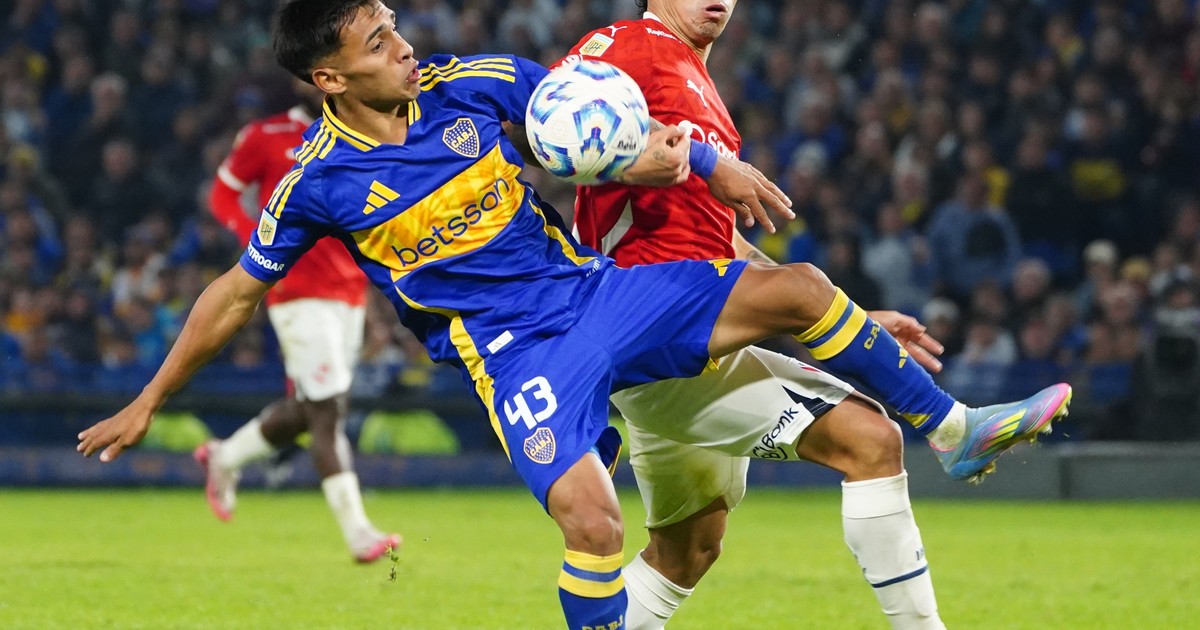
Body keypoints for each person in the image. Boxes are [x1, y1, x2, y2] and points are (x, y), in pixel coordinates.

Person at [77, 2, 1071, 628]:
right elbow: (233, 294)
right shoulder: (319, 182)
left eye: (395, 25)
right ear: (330, 78)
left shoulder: (473, 86)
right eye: (377, 42)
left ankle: (954, 430)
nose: (403, 44)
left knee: (801, 290)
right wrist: (150, 398)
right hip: (514, 355)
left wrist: (701, 161)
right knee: (595, 527)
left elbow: (599, 129)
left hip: (596, 294)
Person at [553, 2, 1068, 628]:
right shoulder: (631, 45)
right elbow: (552, 111)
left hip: (684, 339)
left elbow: (723, 248)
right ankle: (953, 429)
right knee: (871, 439)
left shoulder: (696, 82)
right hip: (652, 321)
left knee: (687, 551)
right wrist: (711, 168)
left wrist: (847, 318)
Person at [199, 78, 401, 563]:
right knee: (328, 412)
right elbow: (222, 195)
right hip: (295, 291)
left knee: (310, 408)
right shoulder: (266, 135)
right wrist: (255, 239)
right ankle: (359, 534)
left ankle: (225, 455)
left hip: (349, 292)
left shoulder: (364, 133)